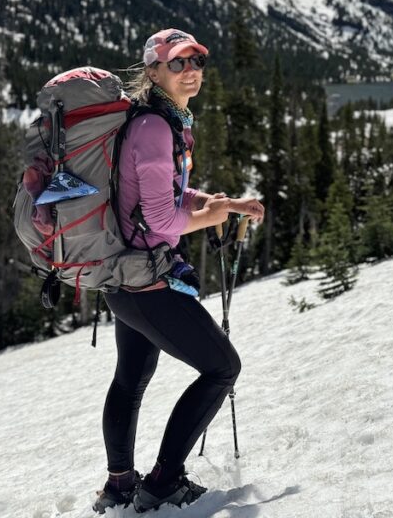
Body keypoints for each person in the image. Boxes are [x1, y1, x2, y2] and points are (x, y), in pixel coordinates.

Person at [93, 28, 265, 514]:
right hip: (146, 281)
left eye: (197, 62)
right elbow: (163, 220)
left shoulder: (163, 120)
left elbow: (163, 197)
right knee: (222, 367)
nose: (191, 72)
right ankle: (164, 482)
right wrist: (214, 215)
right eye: (177, 64)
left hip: (124, 279)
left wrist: (217, 202)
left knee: (131, 377)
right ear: (153, 71)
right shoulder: (153, 128)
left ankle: (120, 485)